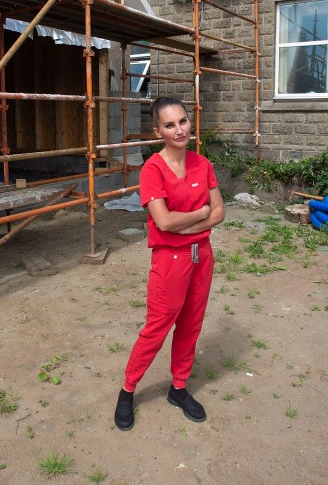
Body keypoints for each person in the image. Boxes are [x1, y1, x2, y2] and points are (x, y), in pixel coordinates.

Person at [114, 96, 225, 431]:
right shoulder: (152, 169)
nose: (179, 130)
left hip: (201, 256)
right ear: (158, 130)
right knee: (157, 328)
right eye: (170, 124)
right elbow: (163, 221)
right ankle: (127, 390)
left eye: (183, 121)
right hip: (170, 260)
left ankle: (178, 388)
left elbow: (220, 211)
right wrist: (201, 213)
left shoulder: (202, 164)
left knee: (191, 324)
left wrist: (189, 223)